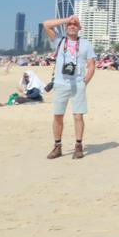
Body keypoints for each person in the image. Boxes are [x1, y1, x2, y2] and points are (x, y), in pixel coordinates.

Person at [41, 15, 96, 159]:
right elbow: (46, 24)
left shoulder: (86, 44)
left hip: (78, 84)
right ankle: (57, 146)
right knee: (58, 116)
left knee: (78, 116)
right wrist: (67, 19)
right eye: (70, 24)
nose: (72, 26)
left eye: (75, 24)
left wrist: (85, 82)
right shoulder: (59, 40)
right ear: (66, 27)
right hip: (60, 83)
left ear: (79, 28)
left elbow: (91, 65)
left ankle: (78, 145)